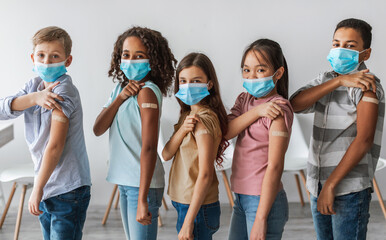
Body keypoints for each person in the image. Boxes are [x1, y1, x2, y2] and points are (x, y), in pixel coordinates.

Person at [290, 18, 385, 240]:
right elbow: (295, 104)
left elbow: (364, 139)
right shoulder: (326, 80)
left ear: (365, 54)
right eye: (336, 44)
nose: (341, 50)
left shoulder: (367, 86)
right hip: (317, 184)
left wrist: (331, 185)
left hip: (347, 189)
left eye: (350, 46)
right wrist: (339, 82)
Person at [0, 26, 91, 239]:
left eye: (55, 56)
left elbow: (55, 147)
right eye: (41, 55)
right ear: (33, 57)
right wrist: (34, 98)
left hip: (68, 188)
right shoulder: (34, 85)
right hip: (48, 182)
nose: (46, 61)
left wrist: (37, 188)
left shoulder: (64, 91)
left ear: (67, 61)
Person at [93, 26, 176, 240]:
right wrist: (119, 99)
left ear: (153, 60)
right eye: (126, 55)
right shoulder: (119, 90)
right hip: (125, 182)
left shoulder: (147, 92)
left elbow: (149, 147)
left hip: (143, 186)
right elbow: (98, 128)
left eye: (139, 56)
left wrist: (142, 200)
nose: (131, 60)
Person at [227, 39, 293, 240]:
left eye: (260, 70)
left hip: (263, 201)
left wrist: (261, 219)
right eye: (246, 70)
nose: (251, 76)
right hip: (240, 196)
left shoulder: (278, 109)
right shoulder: (244, 100)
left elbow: (275, 166)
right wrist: (257, 111)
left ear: (278, 73)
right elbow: (226, 131)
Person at [162, 52, 228, 240]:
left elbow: (206, 174)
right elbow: (166, 154)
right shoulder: (187, 117)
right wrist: (183, 130)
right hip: (184, 203)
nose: (188, 86)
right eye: (183, 81)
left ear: (209, 84)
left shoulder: (203, 120)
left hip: (196, 207)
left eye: (196, 80)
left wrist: (188, 222)